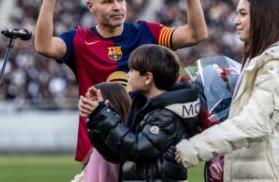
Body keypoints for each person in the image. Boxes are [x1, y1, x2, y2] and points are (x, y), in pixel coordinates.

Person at [35, 0, 208, 162]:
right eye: (108, 2)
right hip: (97, 148)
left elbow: (196, 34)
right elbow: (44, 46)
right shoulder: (80, 40)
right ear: (91, 7)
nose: (117, 6)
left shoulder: (146, 33)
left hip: (143, 142)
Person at [175, 0, 279, 181]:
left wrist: (193, 148)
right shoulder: (262, 62)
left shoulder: (276, 68)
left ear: (263, 17)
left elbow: (253, 124)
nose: (235, 21)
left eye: (243, 14)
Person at [78, 44, 207, 181]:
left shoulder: (165, 115)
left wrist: (103, 114)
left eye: (132, 70)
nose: (128, 75)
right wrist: (96, 118)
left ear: (147, 78)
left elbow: (137, 149)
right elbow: (118, 154)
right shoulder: (147, 109)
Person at [71, 82, 131, 182]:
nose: (86, 113)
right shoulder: (122, 138)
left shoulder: (107, 146)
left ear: (108, 105)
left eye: (92, 105)